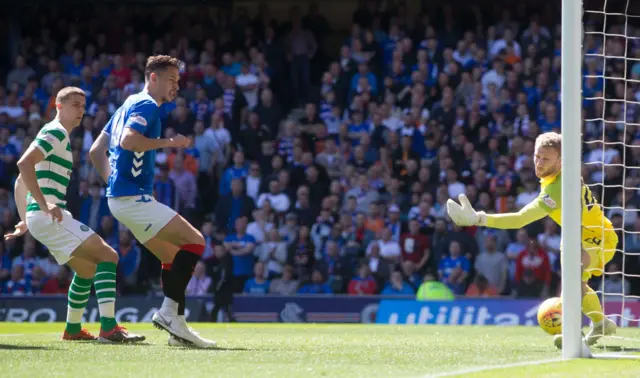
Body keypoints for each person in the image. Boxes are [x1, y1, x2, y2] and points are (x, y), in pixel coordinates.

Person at [446, 132, 617, 348]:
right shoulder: (557, 176)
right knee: (577, 283)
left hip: (596, 236)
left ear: (560, 161)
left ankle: (570, 331)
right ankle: (600, 323)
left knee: (573, 280)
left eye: (546, 159)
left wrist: (477, 218)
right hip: (574, 235)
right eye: (537, 156)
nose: (539, 162)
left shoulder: (556, 188)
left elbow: (519, 219)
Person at [89, 56, 215, 348]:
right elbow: (129, 141)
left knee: (172, 257)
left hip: (122, 199)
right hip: (133, 198)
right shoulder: (147, 105)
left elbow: (96, 151)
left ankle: (178, 330)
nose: (177, 86)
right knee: (195, 242)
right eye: (171, 79)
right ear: (153, 78)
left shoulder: (126, 104)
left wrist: (113, 183)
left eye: (178, 81)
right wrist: (170, 143)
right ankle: (169, 313)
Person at [5, 86, 144, 343]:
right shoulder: (55, 132)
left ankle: (72, 329)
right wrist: (44, 206)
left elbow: (20, 182)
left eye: (83, 105)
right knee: (108, 255)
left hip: (42, 217)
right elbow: (23, 164)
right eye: (75, 105)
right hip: (48, 216)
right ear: (59, 106)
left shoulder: (59, 136)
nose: (81, 110)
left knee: (87, 270)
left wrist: (26, 218)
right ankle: (109, 328)